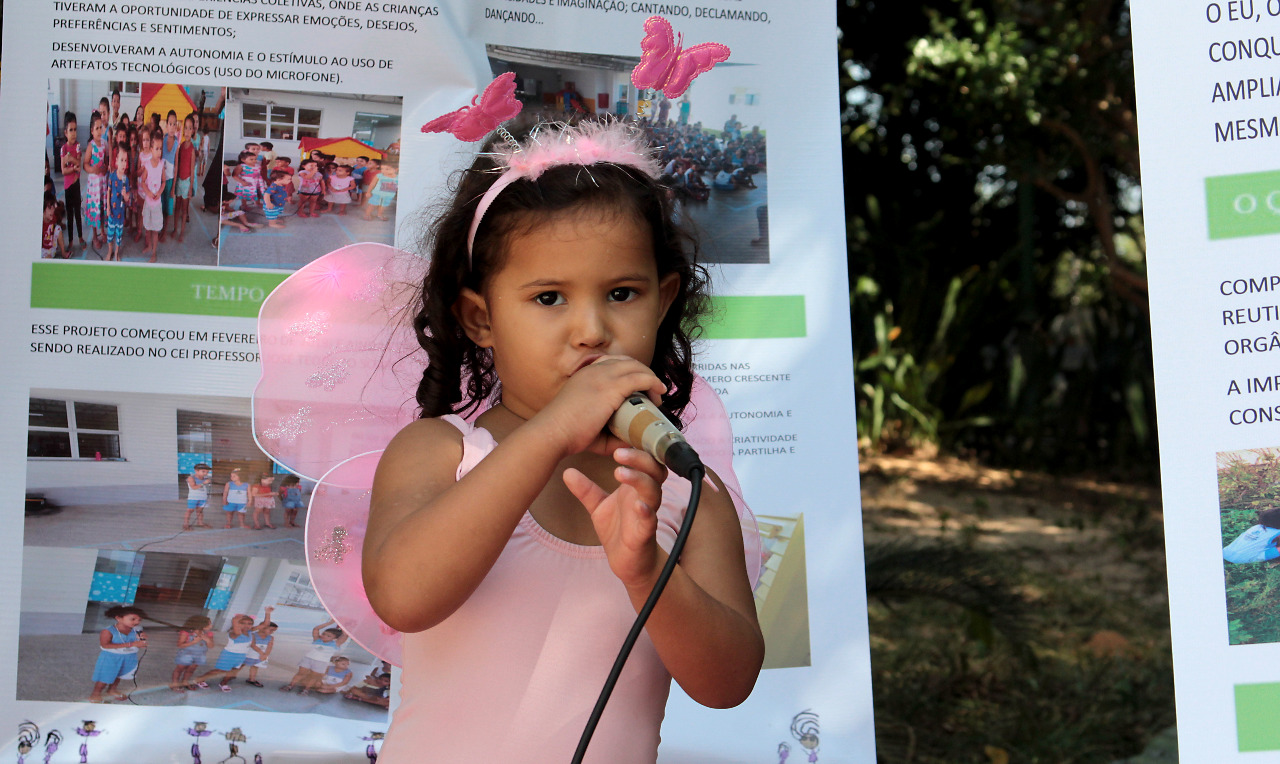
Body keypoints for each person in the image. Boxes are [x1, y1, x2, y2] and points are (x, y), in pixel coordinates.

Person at [362, 120, 763, 762]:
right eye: (549, 297)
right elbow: (403, 598)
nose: (591, 330)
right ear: (481, 318)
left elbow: (727, 683)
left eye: (622, 294)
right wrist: (550, 432)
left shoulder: (688, 496)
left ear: (662, 305)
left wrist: (645, 572)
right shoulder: (440, 453)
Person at [88, 605, 147, 702]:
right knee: (105, 677)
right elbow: (105, 645)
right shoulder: (108, 631)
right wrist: (131, 644)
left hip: (129, 657)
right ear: (119, 618)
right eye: (133, 619)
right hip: (112, 658)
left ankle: (112, 689)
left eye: (139, 620)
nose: (136, 622)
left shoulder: (136, 630)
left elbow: (141, 643)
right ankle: (96, 693)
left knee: (119, 675)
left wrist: (142, 641)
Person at [281, 618, 349, 693]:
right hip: (308, 659)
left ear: (335, 638)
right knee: (300, 673)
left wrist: (342, 625)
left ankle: (306, 689)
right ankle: (290, 685)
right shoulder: (317, 640)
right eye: (324, 634)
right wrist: (330, 623)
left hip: (321, 662)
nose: (324, 636)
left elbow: (345, 635)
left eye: (328, 636)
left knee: (313, 677)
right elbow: (316, 629)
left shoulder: (335, 644)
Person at [194, 613, 255, 690]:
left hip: (241, 656)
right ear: (237, 624)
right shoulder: (235, 633)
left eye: (250, 624)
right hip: (229, 655)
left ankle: (223, 683)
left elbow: (264, 625)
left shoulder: (249, 633)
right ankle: (200, 679)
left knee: (233, 671)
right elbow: (235, 625)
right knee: (220, 670)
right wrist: (236, 618)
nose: (247, 625)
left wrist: (267, 613)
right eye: (243, 623)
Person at [82, 113, 109, 251]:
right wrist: (92, 169)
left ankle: (102, 231)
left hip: (102, 184)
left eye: (101, 127)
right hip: (94, 185)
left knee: (102, 208)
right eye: (96, 128)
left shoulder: (104, 144)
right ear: (92, 131)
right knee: (94, 209)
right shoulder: (91, 146)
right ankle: (94, 235)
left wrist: (104, 167)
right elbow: (85, 164)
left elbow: (106, 161)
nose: (99, 130)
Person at [140, 127, 166, 262]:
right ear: (151, 150)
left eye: (160, 149)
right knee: (148, 228)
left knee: (155, 230)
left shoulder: (162, 164)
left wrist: (159, 192)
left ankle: (154, 252)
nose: (159, 152)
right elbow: (143, 182)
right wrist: (149, 193)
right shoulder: (147, 165)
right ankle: (149, 245)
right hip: (148, 203)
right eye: (156, 148)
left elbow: (163, 182)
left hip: (157, 205)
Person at [171, 115, 197, 242]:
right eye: (185, 128)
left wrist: (191, 187)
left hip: (186, 182)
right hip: (179, 181)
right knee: (177, 207)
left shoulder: (192, 150)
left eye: (189, 128)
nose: (187, 132)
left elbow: (192, 170)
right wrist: (175, 182)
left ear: (193, 131)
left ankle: (181, 232)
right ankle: (175, 229)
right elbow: (177, 164)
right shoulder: (180, 146)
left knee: (184, 209)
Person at [171, 615, 214, 691]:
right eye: (209, 624)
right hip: (186, 654)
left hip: (199, 655)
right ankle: (175, 684)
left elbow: (211, 646)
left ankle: (185, 682)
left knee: (191, 670)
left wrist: (208, 640)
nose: (211, 626)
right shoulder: (186, 633)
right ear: (201, 625)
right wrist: (194, 642)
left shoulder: (208, 634)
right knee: (179, 669)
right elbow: (180, 645)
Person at [105, 150, 131, 261]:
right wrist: (108, 207)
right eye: (121, 160)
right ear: (116, 161)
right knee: (110, 235)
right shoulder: (112, 176)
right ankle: (110, 251)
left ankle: (116, 252)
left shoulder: (126, 179)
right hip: (112, 213)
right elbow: (108, 192)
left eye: (125, 161)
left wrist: (125, 195)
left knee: (119, 236)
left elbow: (127, 199)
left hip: (120, 214)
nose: (124, 163)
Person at [183, 463, 213, 530]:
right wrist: (204, 483)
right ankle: (185, 524)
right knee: (190, 510)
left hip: (202, 497)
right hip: (193, 497)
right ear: (196, 471)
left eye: (207, 472)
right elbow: (193, 487)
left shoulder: (205, 478)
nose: (205, 473)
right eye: (203, 471)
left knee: (200, 511)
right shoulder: (191, 478)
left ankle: (200, 522)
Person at [41, 193, 68, 259]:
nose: (52, 211)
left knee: (58, 228)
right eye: (50, 208)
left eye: (53, 207)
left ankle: (63, 252)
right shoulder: (40, 223)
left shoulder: (53, 217)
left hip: (51, 248)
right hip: (42, 250)